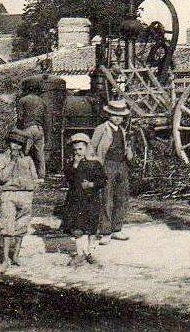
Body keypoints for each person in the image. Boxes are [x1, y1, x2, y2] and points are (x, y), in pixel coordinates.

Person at [0, 129, 39, 270]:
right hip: (9, 194)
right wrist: (13, 162)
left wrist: (31, 189)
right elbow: (2, 177)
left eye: (19, 144)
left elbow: (34, 176)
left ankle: (16, 255)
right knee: (8, 226)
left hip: (25, 195)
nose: (16, 146)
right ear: (9, 143)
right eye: (13, 142)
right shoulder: (2, 157)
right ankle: (6, 259)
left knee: (21, 226)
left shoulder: (28, 159)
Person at [94, 99, 134, 245]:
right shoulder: (101, 129)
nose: (118, 118)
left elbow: (126, 150)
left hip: (121, 165)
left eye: (121, 116)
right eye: (114, 115)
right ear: (109, 115)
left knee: (121, 197)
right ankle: (105, 231)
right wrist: (95, 167)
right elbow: (92, 148)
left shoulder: (122, 131)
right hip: (107, 165)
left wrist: (128, 151)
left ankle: (117, 229)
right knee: (106, 198)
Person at [64, 133, 107, 267]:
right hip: (76, 199)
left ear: (87, 148)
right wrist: (75, 166)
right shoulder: (71, 164)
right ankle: (79, 253)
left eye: (80, 149)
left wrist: (91, 184)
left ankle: (90, 252)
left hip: (91, 199)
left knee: (91, 227)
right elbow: (68, 178)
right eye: (75, 149)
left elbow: (103, 180)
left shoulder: (94, 163)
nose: (78, 152)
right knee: (78, 227)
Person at [16, 76, 50, 183]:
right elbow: (47, 120)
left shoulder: (23, 100)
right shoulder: (42, 101)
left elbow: (20, 117)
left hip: (28, 129)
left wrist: (19, 131)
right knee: (40, 154)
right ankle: (41, 177)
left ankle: (22, 175)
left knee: (23, 152)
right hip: (40, 130)